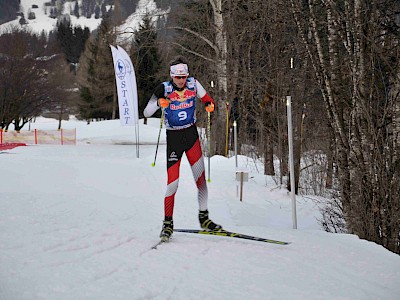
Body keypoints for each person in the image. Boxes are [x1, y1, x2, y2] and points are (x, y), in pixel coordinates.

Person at [144, 56, 223, 241]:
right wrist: (158, 103)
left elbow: (207, 99)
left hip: (191, 136)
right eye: (178, 77)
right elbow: (146, 112)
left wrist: (209, 105)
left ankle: (204, 218)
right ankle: (167, 223)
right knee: (173, 184)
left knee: (201, 180)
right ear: (172, 76)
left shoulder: (194, 84)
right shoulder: (164, 88)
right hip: (174, 139)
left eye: (184, 77)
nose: (181, 81)